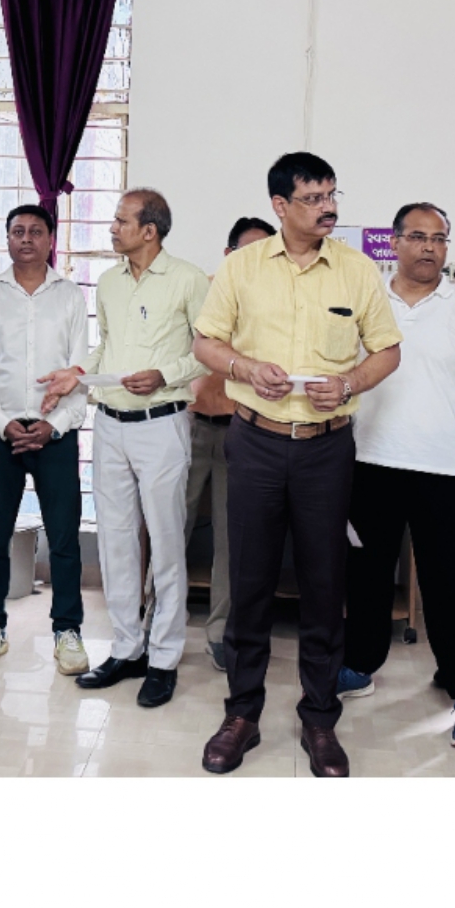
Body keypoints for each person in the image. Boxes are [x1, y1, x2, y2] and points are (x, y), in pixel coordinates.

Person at [191, 152, 403, 776]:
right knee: (250, 581)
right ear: (280, 206)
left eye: (332, 195)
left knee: (323, 583)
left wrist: (350, 382)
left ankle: (319, 718)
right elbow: (205, 341)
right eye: (313, 198)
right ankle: (242, 714)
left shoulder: (356, 270)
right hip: (255, 442)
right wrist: (245, 367)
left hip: (326, 448)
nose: (327, 207)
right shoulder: (243, 267)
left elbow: (387, 351)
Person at [40, 189, 211, 709]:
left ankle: (164, 658)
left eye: (121, 221)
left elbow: (207, 351)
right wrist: (77, 373)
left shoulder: (189, 279)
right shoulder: (110, 282)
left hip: (162, 424)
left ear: (149, 230)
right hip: (109, 424)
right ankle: (126, 648)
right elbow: (106, 348)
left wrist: (165, 374)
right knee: (115, 542)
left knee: (165, 543)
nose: (112, 228)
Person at [339, 202, 455, 751]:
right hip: (369, 462)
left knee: (451, 583)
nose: (429, 247)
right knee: (365, 575)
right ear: (395, 243)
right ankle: (358, 665)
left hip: (443, 471)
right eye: (417, 236)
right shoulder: (366, 303)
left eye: (439, 238)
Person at [0, 205, 91, 675]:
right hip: (2, 435)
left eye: (36, 231)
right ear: (7, 238)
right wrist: (2, 423)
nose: (26, 239)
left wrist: (55, 425)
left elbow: (80, 370)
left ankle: (67, 631)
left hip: (56, 434)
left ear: (51, 239)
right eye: (17, 231)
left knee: (64, 539)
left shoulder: (70, 296)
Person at [174, 215, 275, 672]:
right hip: (191, 426)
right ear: (229, 254)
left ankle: (221, 632)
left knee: (233, 540)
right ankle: (161, 621)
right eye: (247, 252)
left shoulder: (278, 303)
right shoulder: (202, 291)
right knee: (171, 527)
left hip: (245, 433)